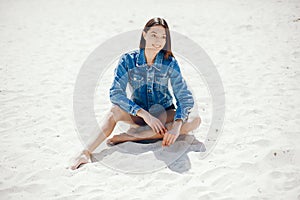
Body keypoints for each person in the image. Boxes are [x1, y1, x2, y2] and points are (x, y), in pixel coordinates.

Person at [71, 17, 201, 170]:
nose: (158, 41)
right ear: (144, 35)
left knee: (195, 120)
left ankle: (133, 137)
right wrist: (145, 115)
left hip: (164, 114)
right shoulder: (128, 60)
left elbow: (184, 97)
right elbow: (116, 94)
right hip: (138, 116)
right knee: (114, 111)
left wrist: (177, 125)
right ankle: (85, 152)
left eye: (163, 37)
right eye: (154, 35)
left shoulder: (169, 62)